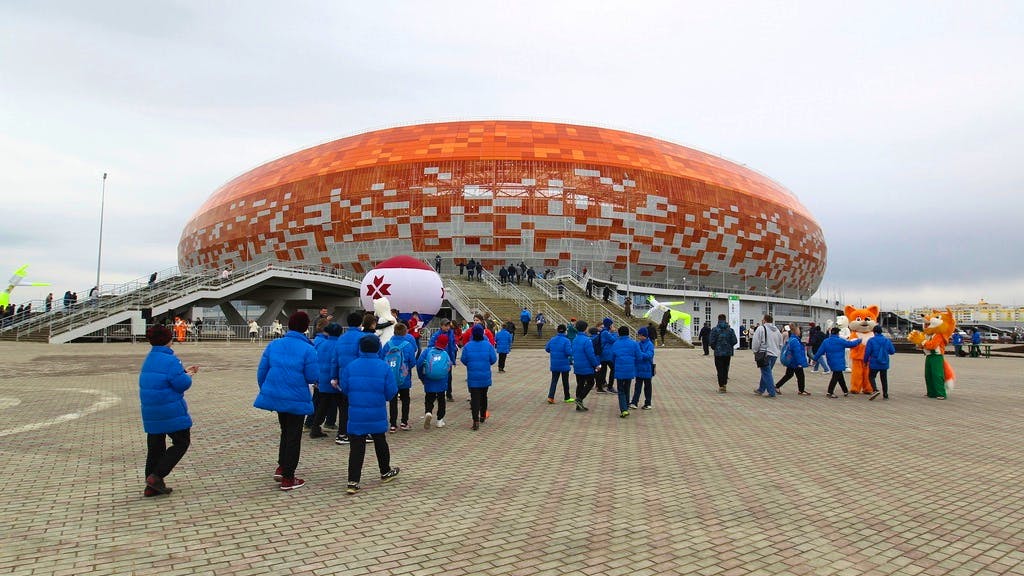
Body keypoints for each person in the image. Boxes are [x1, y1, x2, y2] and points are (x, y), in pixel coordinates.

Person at [254, 311, 318, 491]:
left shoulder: (274, 344)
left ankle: (282, 466)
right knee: (293, 436)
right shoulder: (308, 349)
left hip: (277, 396)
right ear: (305, 327)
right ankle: (288, 478)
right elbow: (312, 376)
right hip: (296, 397)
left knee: (285, 431)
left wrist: (267, 389)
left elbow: (262, 371)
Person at [138, 324, 198, 497]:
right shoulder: (171, 360)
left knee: (155, 447)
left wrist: (182, 372)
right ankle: (157, 476)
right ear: (168, 339)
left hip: (151, 409)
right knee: (181, 442)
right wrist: (187, 375)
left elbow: (161, 378)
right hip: (169, 409)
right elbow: (181, 384)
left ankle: (151, 486)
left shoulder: (150, 358)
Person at [341, 335, 400, 494]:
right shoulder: (384, 367)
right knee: (380, 442)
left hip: (356, 413)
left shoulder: (351, 366)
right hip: (376, 411)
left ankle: (353, 481)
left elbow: (345, 388)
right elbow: (391, 391)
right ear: (378, 348)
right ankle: (385, 471)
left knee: (356, 447)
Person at [326, 312, 368, 444]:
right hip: (360, 378)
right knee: (360, 406)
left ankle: (342, 433)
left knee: (344, 407)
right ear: (360, 323)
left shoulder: (341, 339)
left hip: (343, 377)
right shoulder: (363, 338)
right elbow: (365, 359)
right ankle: (360, 432)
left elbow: (334, 360)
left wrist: (334, 377)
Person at [308, 322, 343, 439]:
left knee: (322, 406)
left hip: (322, 379)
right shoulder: (339, 345)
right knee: (342, 406)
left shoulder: (322, 344)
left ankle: (315, 427)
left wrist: (317, 379)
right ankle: (343, 431)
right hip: (335, 380)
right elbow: (337, 363)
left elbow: (316, 361)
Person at [460, 324, 497, 430]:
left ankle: (475, 420)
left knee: (475, 398)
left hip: (473, 376)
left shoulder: (468, 346)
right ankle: (483, 415)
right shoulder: (488, 345)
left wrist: (470, 364)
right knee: (484, 396)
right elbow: (493, 359)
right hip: (485, 375)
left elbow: (463, 359)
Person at [383, 323, 417, 431]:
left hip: (391, 377)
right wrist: (405, 369)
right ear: (405, 332)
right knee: (405, 399)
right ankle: (404, 422)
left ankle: (393, 424)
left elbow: (382, 359)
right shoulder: (408, 345)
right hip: (404, 378)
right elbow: (412, 362)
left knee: (393, 401)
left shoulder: (388, 344)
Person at [813, 327, 862, 398]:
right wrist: (859, 340)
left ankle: (845, 391)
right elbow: (851, 344)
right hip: (839, 362)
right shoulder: (840, 340)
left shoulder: (826, 341)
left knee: (840, 376)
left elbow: (820, 351)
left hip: (831, 361)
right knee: (835, 377)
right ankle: (830, 392)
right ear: (837, 333)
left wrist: (815, 359)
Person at [419, 333, 452, 429]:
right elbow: (448, 367)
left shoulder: (427, 351)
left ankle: (428, 412)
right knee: (441, 399)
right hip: (441, 380)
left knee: (429, 398)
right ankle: (440, 420)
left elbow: (419, 364)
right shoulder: (445, 354)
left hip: (429, 379)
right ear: (446, 344)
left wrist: (422, 377)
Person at [611, 326, 641, 418]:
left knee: (621, 390)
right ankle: (626, 406)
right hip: (630, 369)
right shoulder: (634, 343)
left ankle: (624, 409)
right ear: (628, 333)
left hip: (619, 369)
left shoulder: (616, 344)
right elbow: (639, 357)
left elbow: (612, 358)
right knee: (627, 388)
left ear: (619, 333)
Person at [750, 314, 784, 398]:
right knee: (766, 372)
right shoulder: (777, 330)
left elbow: (756, 341)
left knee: (766, 373)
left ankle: (771, 392)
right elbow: (781, 343)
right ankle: (761, 389)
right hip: (774, 354)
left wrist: (755, 351)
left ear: (764, 320)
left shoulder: (761, 328)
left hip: (764, 354)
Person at [428, 318, 459, 401]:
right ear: (441, 326)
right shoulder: (436, 335)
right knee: (439, 375)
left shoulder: (451, 333)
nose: (447, 327)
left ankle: (449, 394)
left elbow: (452, 346)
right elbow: (430, 346)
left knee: (449, 377)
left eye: (448, 326)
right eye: (446, 326)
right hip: (439, 359)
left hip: (448, 359)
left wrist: (453, 359)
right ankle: (438, 392)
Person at [775, 324, 810, 396]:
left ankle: (777, 386)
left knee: (789, 375)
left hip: (791, 360)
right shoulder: (795, 341)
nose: (800, 332)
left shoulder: (791, 339)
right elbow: (797, 353)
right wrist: (800, 363)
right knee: (800, 376)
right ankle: (801, 390)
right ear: (795, 331)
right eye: (799, 330)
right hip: (795, 361)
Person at [865, 325, 896, 400]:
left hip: (874, 362)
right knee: (884, 378)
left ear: (875, 332)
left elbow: (867, 352)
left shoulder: (871, 340)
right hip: (884, 362)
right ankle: (885, 394)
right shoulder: (887, 340)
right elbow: (892, 351)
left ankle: (875, 390)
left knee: (871, 376)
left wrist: (865, 361)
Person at [545, 324, 574, 404]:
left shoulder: (552, 339)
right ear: (565, 331)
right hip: (564, 364)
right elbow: (568, 352)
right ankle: (567, 397)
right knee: (565, 381)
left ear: (557, 330)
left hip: (554, 363)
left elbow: (547, 349)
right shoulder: (566, 340)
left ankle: (550, 397)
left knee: (554, 381)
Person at [708, 314, 738, 393]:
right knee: (725, 368)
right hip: (727, 353)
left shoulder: (715, 330)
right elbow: (734, 341)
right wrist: (729, 346)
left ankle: (721, 386)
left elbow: (711, 341)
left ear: (718, 319)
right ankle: (724, 384)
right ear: (725, 319)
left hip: (718, 353)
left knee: (719, 369)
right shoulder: (730, 330)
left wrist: (715, 347)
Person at [630, 327, 656, 409]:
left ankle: (648, 403)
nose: (639, 337)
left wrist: (640, 354)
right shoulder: (638, 344)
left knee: (647, 387)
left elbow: (649, 355)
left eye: (640, 335)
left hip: (647, 369)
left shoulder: (650, 344)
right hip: (639, 369)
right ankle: (634, 402)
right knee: (637, 387)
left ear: (644, 335)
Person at [596, 318, 617, 393]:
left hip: (603, 354)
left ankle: (600, 387)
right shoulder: (606, 332)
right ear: (609, 325)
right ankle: (610, 387)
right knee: (613, 369)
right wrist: (614, 332)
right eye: (612, 324)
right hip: (607, 354)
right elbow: (613, 340)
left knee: (603, 371)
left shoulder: (603, 332)